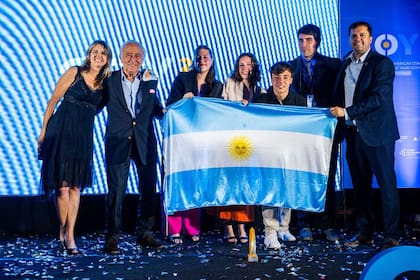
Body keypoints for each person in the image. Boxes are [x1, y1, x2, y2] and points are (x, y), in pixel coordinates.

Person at [329, 21, 400, 250]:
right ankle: (365, 233)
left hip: (378, 134)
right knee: (360, 187)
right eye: (353, 35)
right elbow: (338, 95)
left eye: (362, 35)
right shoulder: (345, 63)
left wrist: (347, 112)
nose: (357, 39)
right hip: (353, 134)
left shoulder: (383, 63)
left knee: (387, 185)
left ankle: (390, 234)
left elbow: (378, 99)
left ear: (370, 38)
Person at [38, 40, 112, 255]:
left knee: (75, 188)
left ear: (107, 59)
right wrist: (43, 132)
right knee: (61, 186)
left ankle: (69, 234)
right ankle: (64, 230)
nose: (98, 56)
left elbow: (98, 109)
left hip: (82, 137)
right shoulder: (74, 72)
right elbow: (53, 100)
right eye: (95, 52)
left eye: (103, 53)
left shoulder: (104, 84)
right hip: (60, 131)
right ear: (89, 54)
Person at [102, 41, 165, 254]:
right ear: (120, 57)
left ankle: (145, 233)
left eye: (138, 56)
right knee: (116, 193)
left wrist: (174, 111)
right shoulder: (109, 80)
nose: (133, 59)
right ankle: (112, 238)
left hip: (145, 143)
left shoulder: (150, 80)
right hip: (118, 142)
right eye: (128, 55)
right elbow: (96, 103)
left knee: (148, 190)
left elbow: (156, 109)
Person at [165, 45, 223, 244]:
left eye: (206, 57)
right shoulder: (182, 79)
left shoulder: (217, 85)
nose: (202, 60)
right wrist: (182, 100)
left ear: (212, 60)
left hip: (202, 141)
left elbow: (218, 113)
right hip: (181, 138)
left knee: (195, 182)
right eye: (199, 57)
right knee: (178, 180)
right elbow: (169, 106)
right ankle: (174, 229)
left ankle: (192, 228)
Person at [289, 24, 341, 242]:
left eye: (308, 40)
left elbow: (341, 95)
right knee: (302, 177)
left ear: (317, 41)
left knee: (326, 179)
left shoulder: (333, 65)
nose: (304, 44)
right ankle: (304, 224)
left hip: (326, 132)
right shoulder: (291, 67)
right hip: (301, 134)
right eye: (301, 40)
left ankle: (327, 224)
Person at [253, 62, 307, 249]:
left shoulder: (299, 101)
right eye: (276, 78)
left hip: (290, 154)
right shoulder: (261, 100)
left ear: (291, 79)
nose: (280, 82)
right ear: (271, 79)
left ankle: (284, 227)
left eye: (285, 77)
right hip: (268, 154)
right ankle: (270, 232)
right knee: (270, 191)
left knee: (288, 189)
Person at [219, 52, 263, 243]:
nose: (245, 68)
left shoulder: (258, 88)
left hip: (249, 142)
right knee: (229, 184)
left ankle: (242, 227)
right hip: (231, 139)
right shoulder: (229, 83)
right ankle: (229, 228)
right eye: (241, 65)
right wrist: (239, 106)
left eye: (248, 65)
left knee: (244, 184)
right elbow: (221, 107)